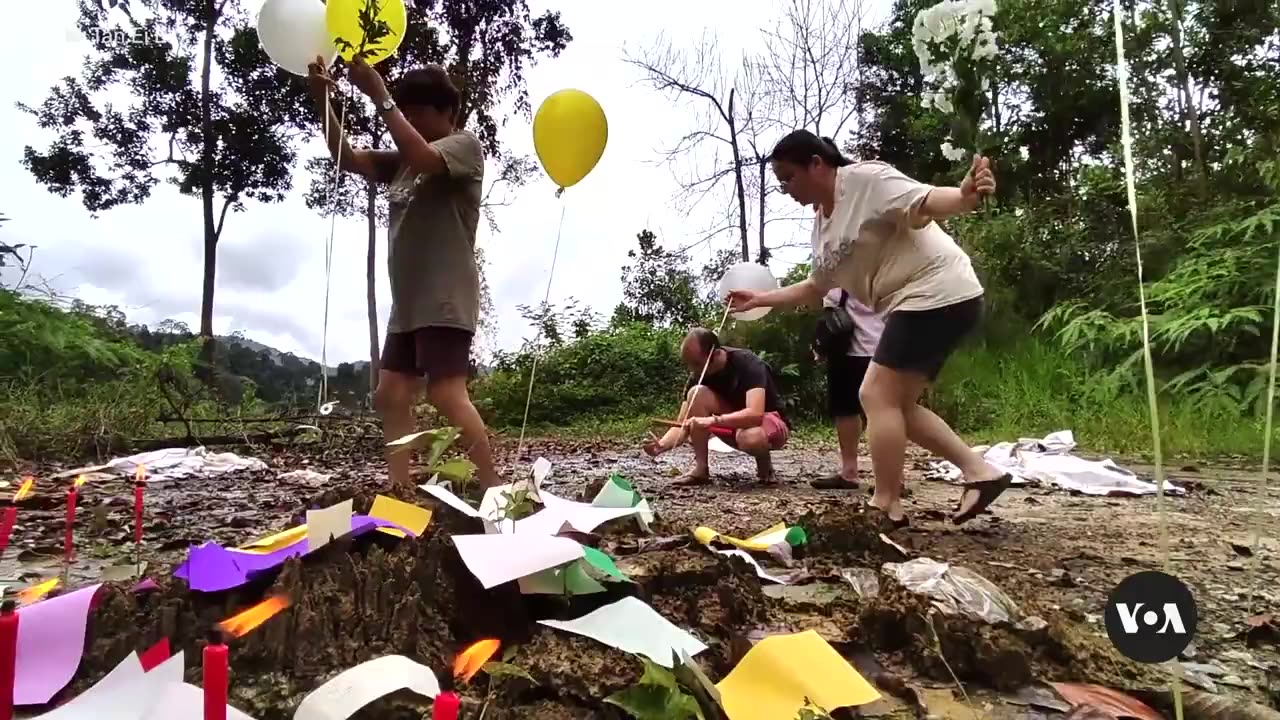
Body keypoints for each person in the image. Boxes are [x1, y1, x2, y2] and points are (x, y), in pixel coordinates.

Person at [728, 130, 1012, 527]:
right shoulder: (822, 229)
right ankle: (981, 473)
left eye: (789, 177)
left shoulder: (866, 180)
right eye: (780, 182)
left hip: (935, 289)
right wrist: (759, 300)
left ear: (817, 164)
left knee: (874, 394)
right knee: (896, 406)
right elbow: (817, 287)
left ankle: (885, 504)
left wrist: (964, 196)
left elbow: (926, 199)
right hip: (920, 302)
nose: (786, 188)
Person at [307, 56, 501, 490]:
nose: (408, 117)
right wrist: (323, 100)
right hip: (408, 304)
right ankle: (402, 491)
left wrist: (380, 95)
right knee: (390, 395)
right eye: (405, 109)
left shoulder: (463, 147)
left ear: (444, 112)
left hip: (445, 298)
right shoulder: (402, 164)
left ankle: (493, 493)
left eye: (416, 110)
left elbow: (425, 155)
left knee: (446, 393)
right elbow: (346, 158)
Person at [643, 328, 791, 485]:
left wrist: (713, 421)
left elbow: (755, 416)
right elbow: (683, 424)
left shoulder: (748, 363)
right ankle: (701, 469)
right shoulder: (698, 375)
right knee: (696, 393)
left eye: (697, 364)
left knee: (750, 437)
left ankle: (764, 463)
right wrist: (661, 445)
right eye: (689, 365)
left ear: (715, 355)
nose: (693, 370)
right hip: (731, 427)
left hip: (768, 425)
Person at [811, 288, 884, 490]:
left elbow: (829, 308)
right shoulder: (888, 267)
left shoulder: (843, 270)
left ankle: (851, 472)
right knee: (884, 412)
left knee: (848, 411)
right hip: (882, 348)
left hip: (850, 349)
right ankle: (892, 477)